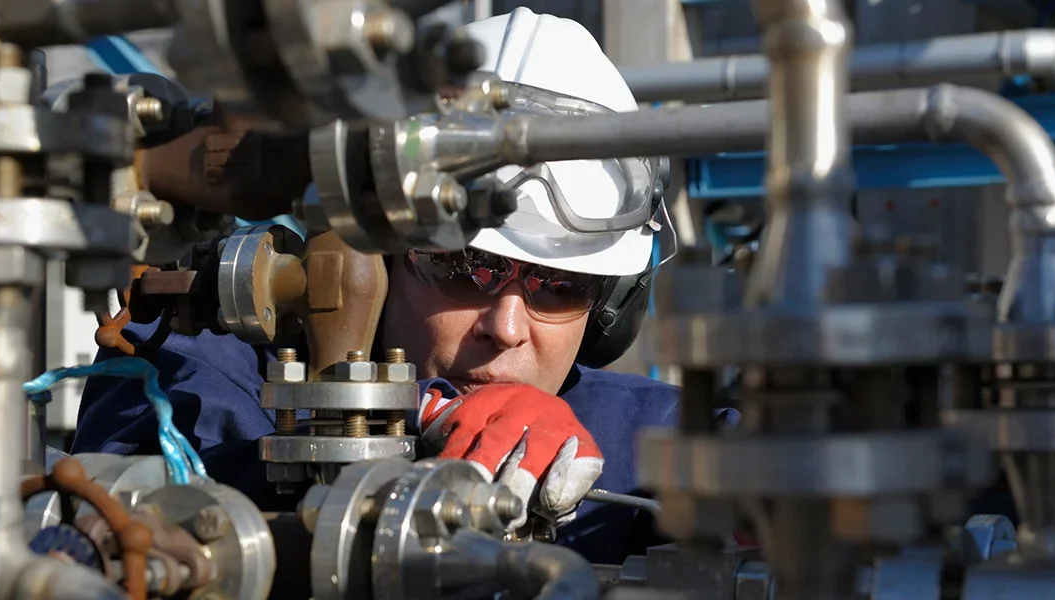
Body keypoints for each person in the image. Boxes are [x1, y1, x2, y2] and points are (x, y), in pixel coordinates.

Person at [73, 7, 681, 565]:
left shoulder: (644, 440)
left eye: (560, 286)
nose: (507, 327)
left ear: (611, 306)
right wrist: (401, 446)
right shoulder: (198, 366)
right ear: (381, 252)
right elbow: (107, 512)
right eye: (465, 267)